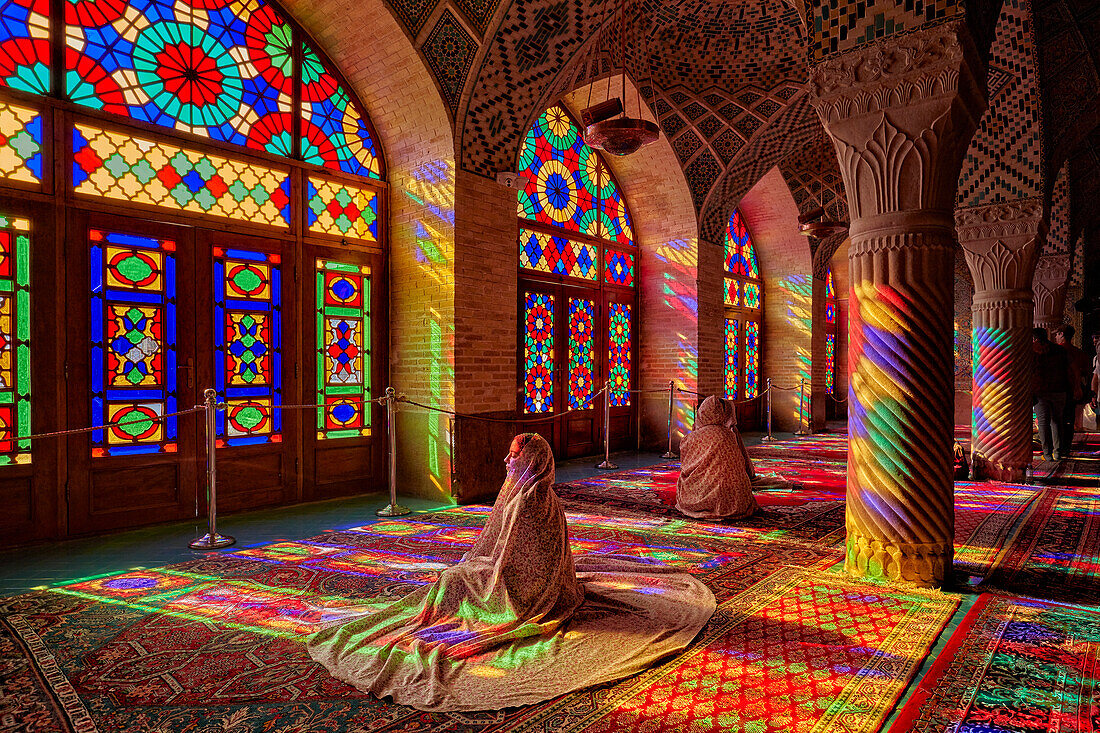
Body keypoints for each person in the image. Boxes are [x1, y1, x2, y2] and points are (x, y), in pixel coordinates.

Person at [308, 433, 715, 711]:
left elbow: (508, 566)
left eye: (514, 456)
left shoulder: (529, 501)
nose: (506, 461)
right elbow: (503, 551)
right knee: (456, 576)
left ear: (531, 461)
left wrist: (472, 574)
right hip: (528, 579)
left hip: (521, 594)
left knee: (452, 580)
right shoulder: (532, 490)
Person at [676, 395, 759, 519]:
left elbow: (686, 465)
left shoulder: (691, 438)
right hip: (738, 501)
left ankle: (705, 503)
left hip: (703, 495)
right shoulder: (730, 435)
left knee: (686, 480)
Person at [1033, 327, 1070, 461]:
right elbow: (1068, 370)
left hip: (1040, 391)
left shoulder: (1032, 351)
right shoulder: (1060, 350)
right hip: (1059, 390)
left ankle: (1047, 454)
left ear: (1034, 338)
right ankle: (1058, 452)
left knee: (1043, 422)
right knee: (1057, 421)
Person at [1053, 325, 1087, 455]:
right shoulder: (1079, 353)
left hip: (1059, 390)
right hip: (1072, 391)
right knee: (1069, 419)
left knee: (1057, 420)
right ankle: (1065, 447)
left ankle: (1057, 447)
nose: (1055, 337)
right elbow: (1086, 373)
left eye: (1057, 334)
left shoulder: (1058, 351)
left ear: (1062, 334)